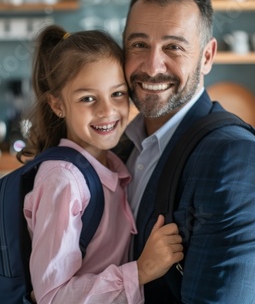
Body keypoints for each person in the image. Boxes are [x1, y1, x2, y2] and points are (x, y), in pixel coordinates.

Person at [121, 0, 255, 303]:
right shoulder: (123, 143)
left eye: (173, 47)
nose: (153, 66)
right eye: (139, 45)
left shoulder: (238, 163)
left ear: (207, 56)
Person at [18, 25, 184, 304]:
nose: (106, 110)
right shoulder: (64, 181)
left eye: (117, 94)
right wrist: (140, 272)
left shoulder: (116, 164)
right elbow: (52, 296)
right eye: (87, 98)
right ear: (57, 105)